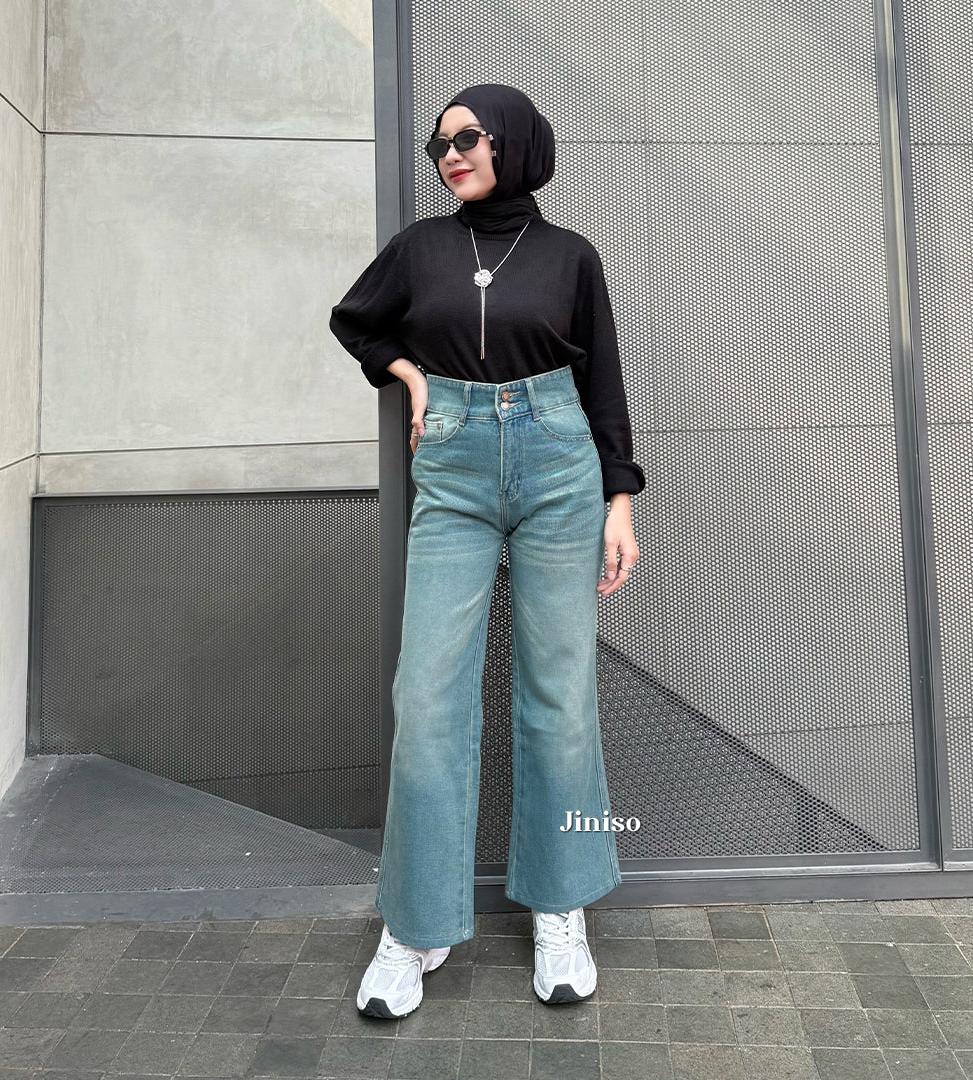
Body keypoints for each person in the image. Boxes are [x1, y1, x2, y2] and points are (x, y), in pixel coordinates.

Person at [329, 84, 645, 1019]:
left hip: (559, 467)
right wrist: (408, 374)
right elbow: (356, 320)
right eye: (439, 145)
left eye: (468, 137)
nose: (451, 155)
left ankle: (560, 905)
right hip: (455, 470)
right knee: (427, 697)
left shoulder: (570, 256)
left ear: (513, 141)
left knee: (560, 696)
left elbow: (603, 382)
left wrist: (620, 501)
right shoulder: (420, 248)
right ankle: (415, 924)